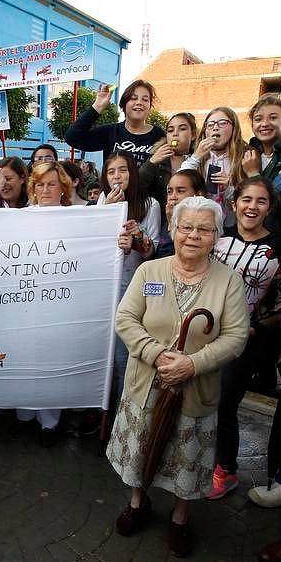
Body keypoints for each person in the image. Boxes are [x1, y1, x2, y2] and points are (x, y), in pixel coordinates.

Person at [107, 196, 249, 556]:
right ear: (173, 229)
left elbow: (235, 337)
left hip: (195, 387)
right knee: (140, 447)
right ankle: (138, 503)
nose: (193, 236)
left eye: (203, 229)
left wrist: (192, 364)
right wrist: (157, 354)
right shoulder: (149, 272)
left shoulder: (228, 281)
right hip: (145, 383)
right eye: (186, 227)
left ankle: (181, 517)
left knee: (187, 454)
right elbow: (125, 319)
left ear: (216, 236)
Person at [207, 177, 281, 500]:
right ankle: (199, 461)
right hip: (206, 334)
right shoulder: (218, 239)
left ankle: (226, 470)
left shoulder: (279, 248)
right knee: (202, 401)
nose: (252, 207)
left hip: (247, 339)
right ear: (234, 203)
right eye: (246, 199)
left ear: (270, 207)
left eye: (261, 201)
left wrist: (258, 328)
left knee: (224, 403)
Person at [14, 161, 73, 447]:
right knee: (25, 358)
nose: (46, 189)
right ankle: (24, 415)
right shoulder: (20, 217)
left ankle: (49, 422)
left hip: (58, 302)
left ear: (63, 188)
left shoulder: (78, 219)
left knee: (51, 360)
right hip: (24, 299)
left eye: (52, 184)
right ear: (32, 189)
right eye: (40, 184)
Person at [97, 151, 161, 401]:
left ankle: (120, 411)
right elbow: (96, 241)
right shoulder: (104, 199)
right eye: (111, 171)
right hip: (104, 286)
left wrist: (136, 239)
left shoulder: (149, 204)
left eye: (122, 170)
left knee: (124, 353)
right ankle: (101, 406)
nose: (117, 176)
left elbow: (149, 251)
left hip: (130, 286)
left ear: (132, 173)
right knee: (105, 352)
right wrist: (106, 212)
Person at [64, 80, 165, 167]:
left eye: (145, 99)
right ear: (123, 105)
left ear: (150, 106)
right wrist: (98, 106)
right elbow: (72, 138)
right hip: (113, 190)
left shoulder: (159, 135)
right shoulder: (110, 132)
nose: (139, 102)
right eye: (133, 98)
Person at [180, 107, 245, 222]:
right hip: (199, 221)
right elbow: (179, 180)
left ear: (234, 128)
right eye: (210, 124)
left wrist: (228, 188)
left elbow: (246, 200)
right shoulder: (197, 157)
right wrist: (196, 156)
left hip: (231, 224)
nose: (215, 128)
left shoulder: (243, 157)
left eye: (222, 123)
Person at [139, 112, 198, 216]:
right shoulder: (157, 160)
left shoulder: (200, 159)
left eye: (182, 129)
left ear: (193, 135)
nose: (175, 134)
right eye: (170, 130)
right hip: (162, 221)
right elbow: (137, 188)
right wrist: (151, 162)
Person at [154, 170, 206, 259]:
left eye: (180, 191)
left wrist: (172, 224)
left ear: (198, 195)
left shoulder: (204, 226)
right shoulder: (169, 216)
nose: (173, 197)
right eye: (169, 192)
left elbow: (173, 256)